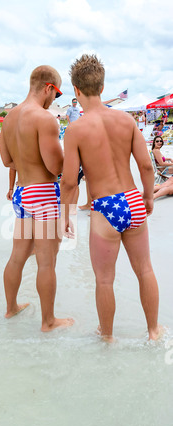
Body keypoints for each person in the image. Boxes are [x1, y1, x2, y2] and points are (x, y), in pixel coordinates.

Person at [61, 54, 162, 342]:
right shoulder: (126, 120)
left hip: (105, 206)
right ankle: (153, 331)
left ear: (77, 90)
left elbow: (69, 181)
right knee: (145, 270)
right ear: (102, 87)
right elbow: (145, 166)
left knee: (105, 279)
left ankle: (107, 337)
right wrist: (149, 198)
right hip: (133, 199)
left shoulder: (76, 130)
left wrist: (65, 215)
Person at [0, 65, 74, 332]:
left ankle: (10, 308)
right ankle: (48, 321)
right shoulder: (44, 118)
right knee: (46, 261)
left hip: (22, 192)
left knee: (17, 256)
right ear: (48, 88)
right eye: (57, 93)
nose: (56, 100)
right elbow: (56, 167)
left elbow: (7, 160)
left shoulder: (8, 118)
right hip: (42, 190)